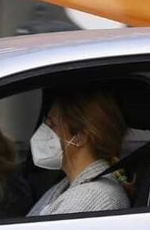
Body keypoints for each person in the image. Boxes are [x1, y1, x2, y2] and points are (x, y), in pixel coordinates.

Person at [27, 88, 131, 217]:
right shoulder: (67, 185)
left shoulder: (93, 197)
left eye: (52, 124)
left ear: (79, 137)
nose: (44, 131)